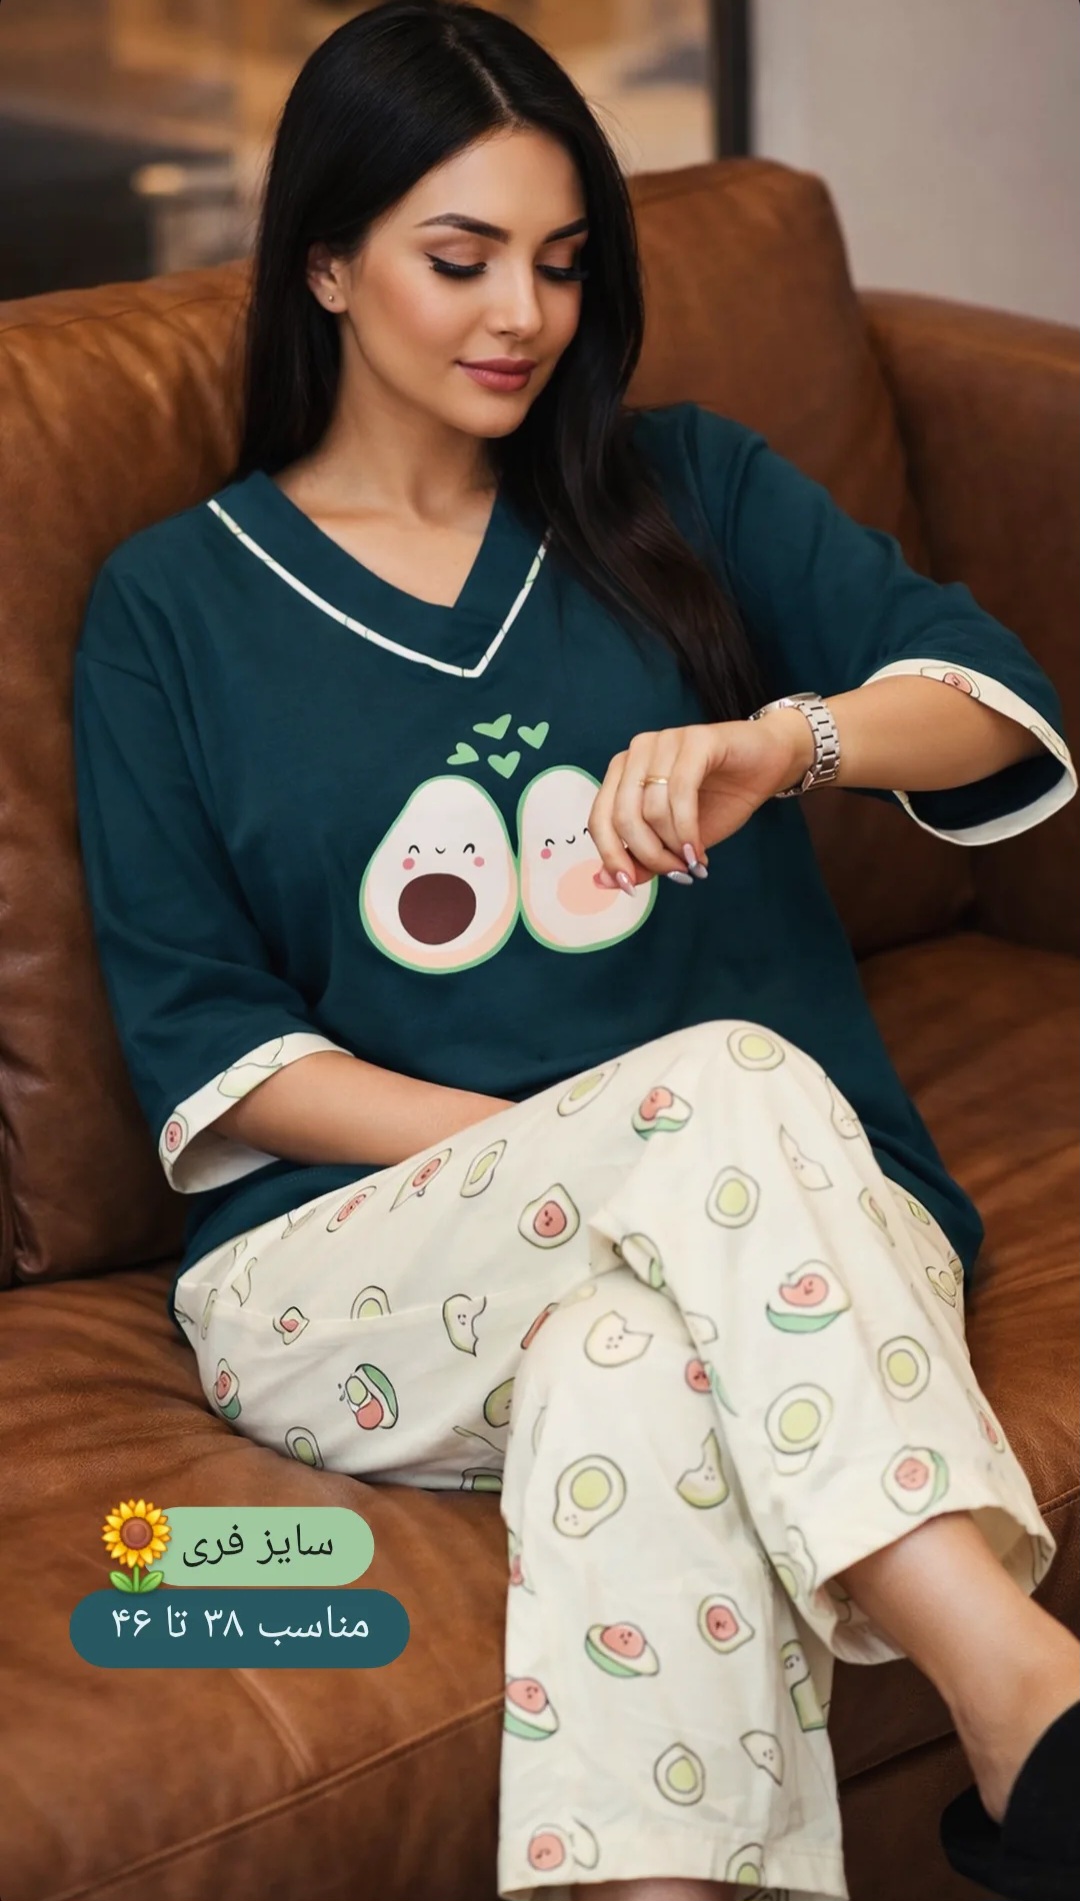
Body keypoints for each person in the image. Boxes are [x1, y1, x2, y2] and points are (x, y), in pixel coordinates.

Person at [71, 5, 1080, 1899]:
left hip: (803, 1238)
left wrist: (790, 742)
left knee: (633, 1360)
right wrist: (597, 1155)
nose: (522, 314)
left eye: (559, 261)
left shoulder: (683, 486)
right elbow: (215, 1049)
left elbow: (996, 708)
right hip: (361, 1271)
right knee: (721, 1094)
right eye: (460, 260)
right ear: (326, 263)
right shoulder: (171, 609)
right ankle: (1019, 1683)